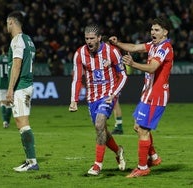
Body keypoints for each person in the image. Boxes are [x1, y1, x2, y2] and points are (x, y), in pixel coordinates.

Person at [109, 16, 173, 178]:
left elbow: (152, 68)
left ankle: (142, 167)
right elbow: (133, 47)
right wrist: (117, 43)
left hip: (156, 95)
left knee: (143, 130)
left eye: (157, 30)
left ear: (165, 32)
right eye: (152, 29)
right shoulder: (153, 45)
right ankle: (154, 157)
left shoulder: (164, 48)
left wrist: (133, 64)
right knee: (138, 126)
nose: (153, 32)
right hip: (148, 93)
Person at [69, 24, 127, 176]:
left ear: (99, 38)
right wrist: (74, 100)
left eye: (92, 38)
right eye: (86, 38)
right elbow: (76, 78)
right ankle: (118, 150)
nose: (89, 41)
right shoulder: (80, 53)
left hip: (108, 95)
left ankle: (97, 165)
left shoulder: (112, 52)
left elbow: (123, 75)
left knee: (100, 123)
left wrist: (114, 94)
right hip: (92, 97)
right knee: (101, 130)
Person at [6, 11, 39, 172]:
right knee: (21, 123)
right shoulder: (29, 40)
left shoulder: (17, 40)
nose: (7, 26)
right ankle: (29, 161)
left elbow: (17, 65)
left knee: (22, 123)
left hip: (21, 86)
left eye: (7, 23)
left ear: (11, 22)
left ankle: (32, 162)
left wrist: (10, 88)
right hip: (27, 85)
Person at [0, 45, 12, 128]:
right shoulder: (12, 59)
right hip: (10, 84)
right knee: (9, 103)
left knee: (2, 103)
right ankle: (7, 121)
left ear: (2, 50)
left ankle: (4, 121)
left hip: (1, 84)